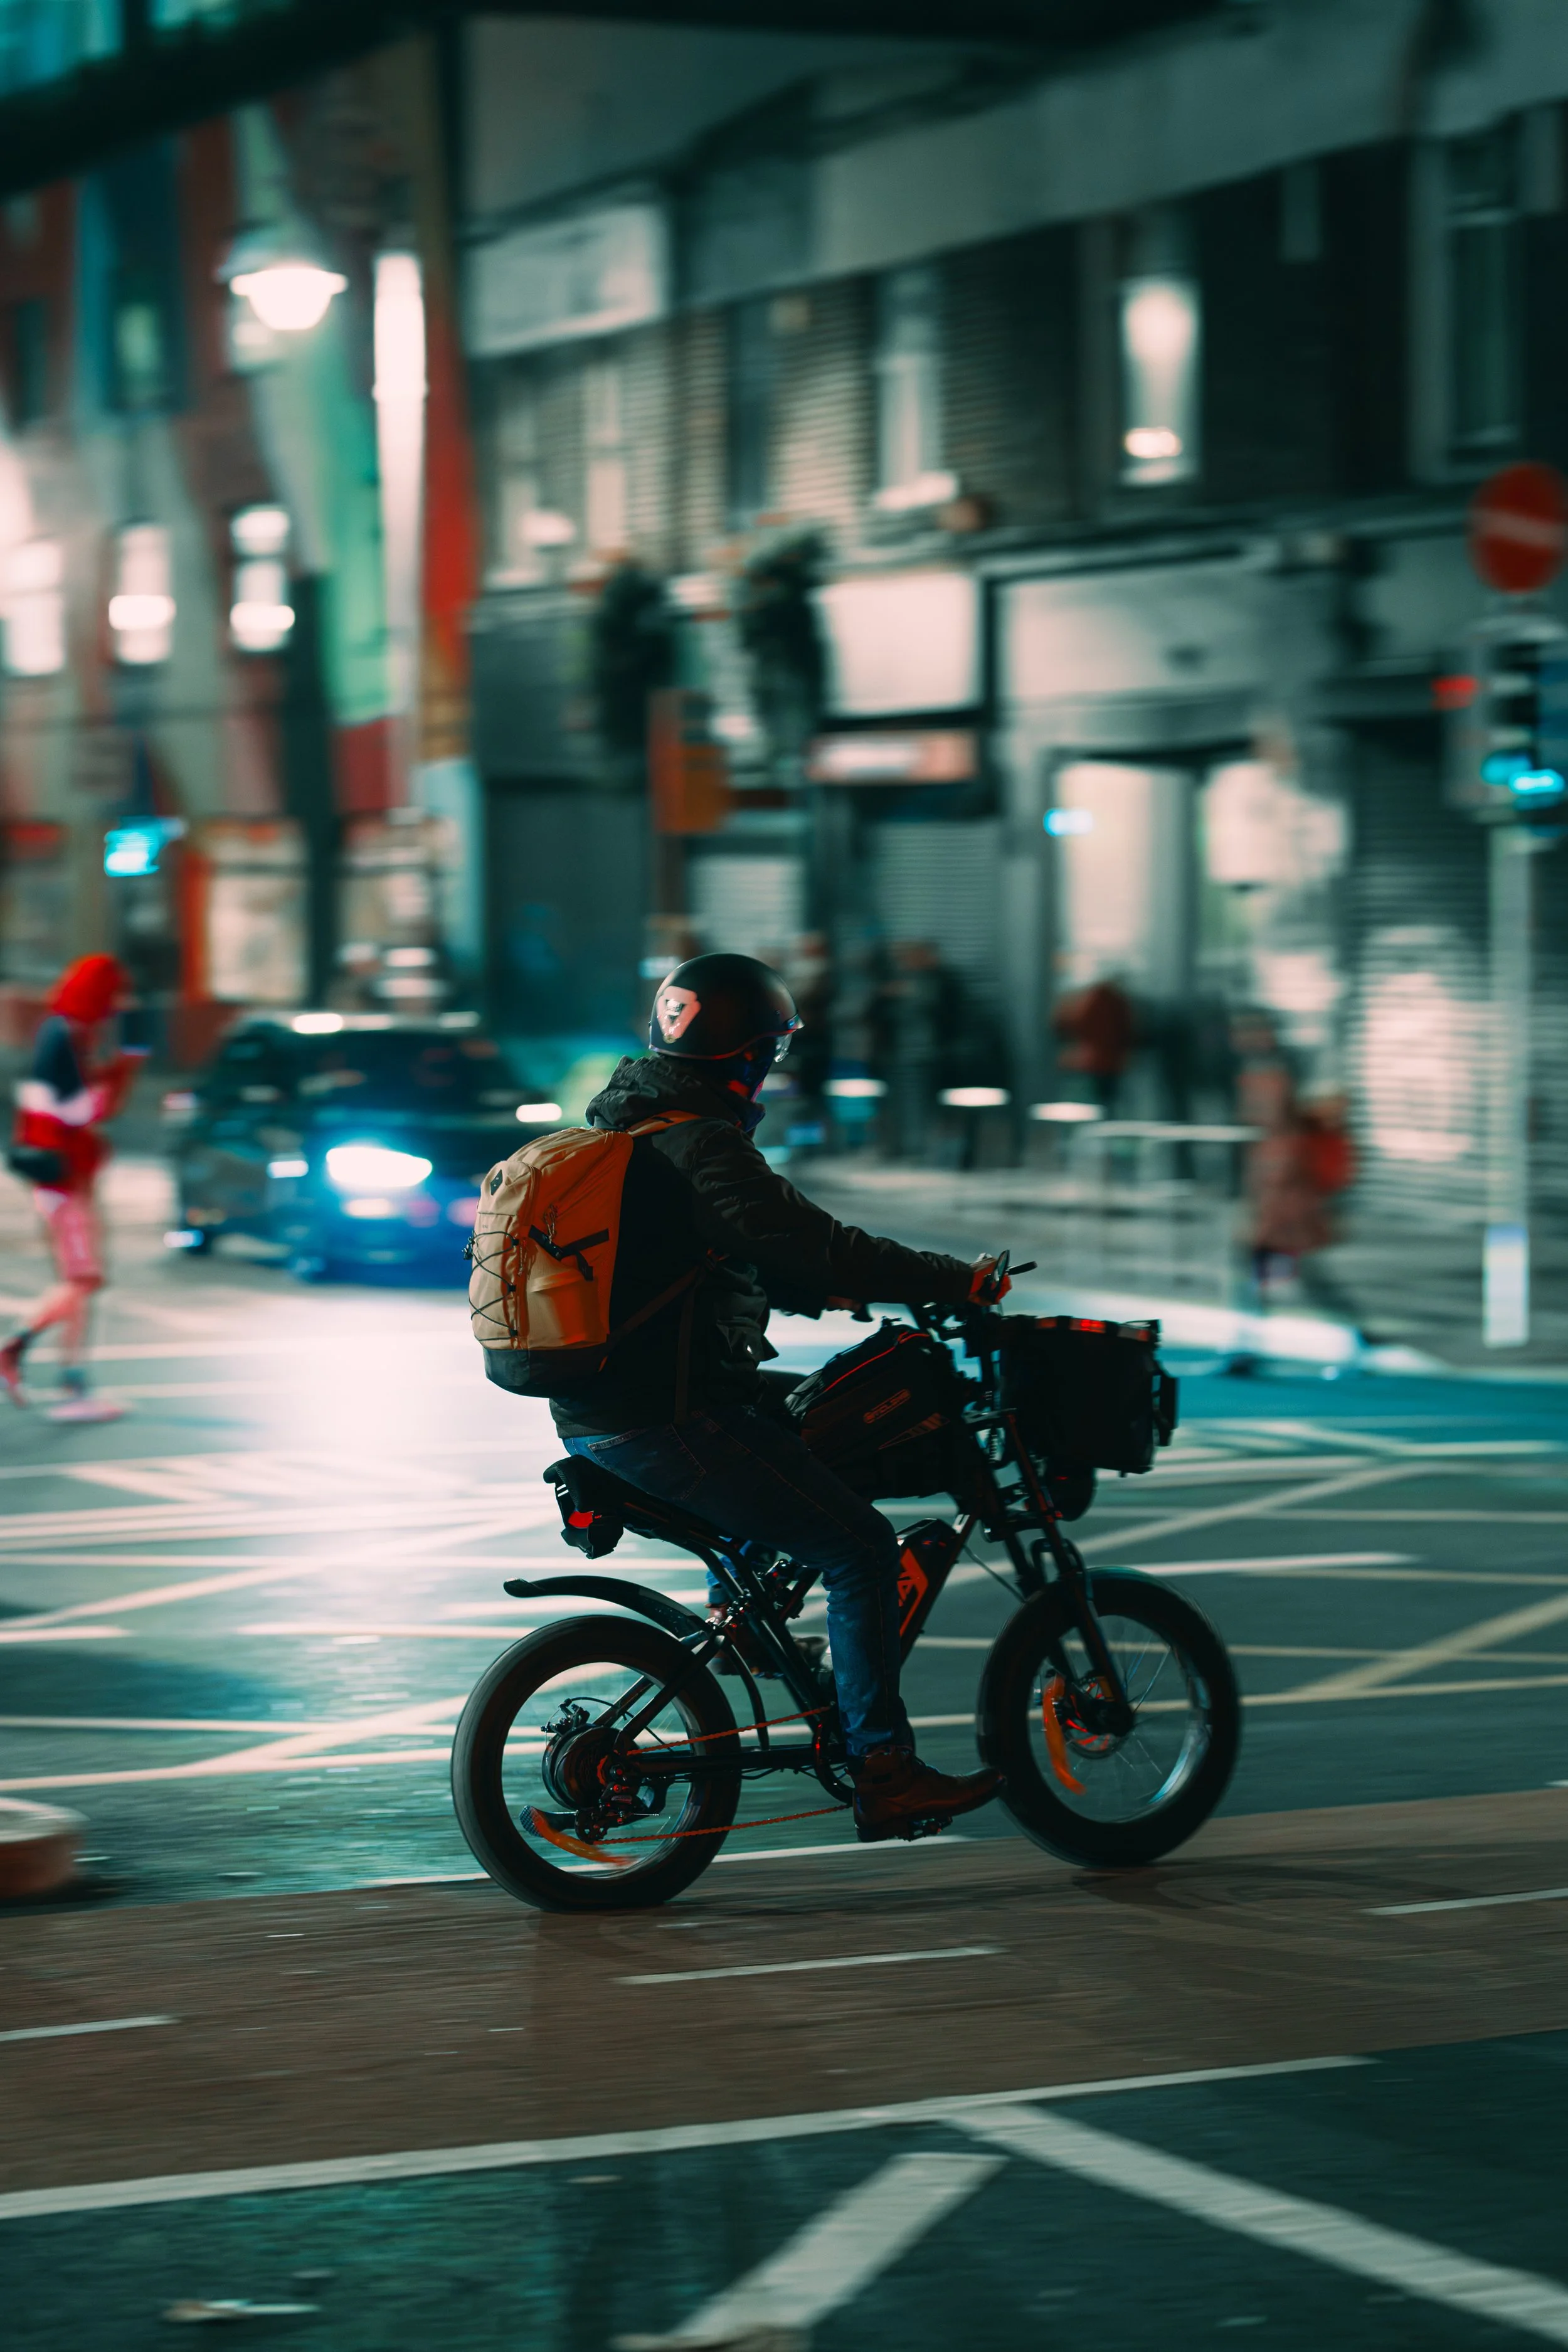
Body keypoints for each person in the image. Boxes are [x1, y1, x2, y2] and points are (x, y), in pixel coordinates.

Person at [553, 950, 1007, 1843]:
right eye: (769, 1053)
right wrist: (958, 1280)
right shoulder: (700, 1142)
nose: (772, 1071)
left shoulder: (632, 1130)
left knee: (809, 1415)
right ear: (744, 1054)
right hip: (667, 1414)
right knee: (861, 1547)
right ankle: (885, 1766)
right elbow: (817, 1241)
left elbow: (719, 1259)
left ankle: (762, 1627)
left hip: (611, 1405)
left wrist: (816, 1289)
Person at [1, 953, 147, 1423]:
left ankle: (73, 1383)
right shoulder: (67, 1036)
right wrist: (121, 1075)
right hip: (63, 1178)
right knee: (83, 1279)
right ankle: (20, 1353)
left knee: (79, 1280)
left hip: (62, 1174)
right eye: (116, 993)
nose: (120, 1004)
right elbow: (82, 1112)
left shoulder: (61, 1031)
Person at [1052, 970, 1135, 1115]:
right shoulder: (1116, 1001)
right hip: (1108, 1060)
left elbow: (1071, 1024)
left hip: (1091, 1059)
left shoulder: (1090, 1000)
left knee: (1089, 1102)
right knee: (1104, 1101)